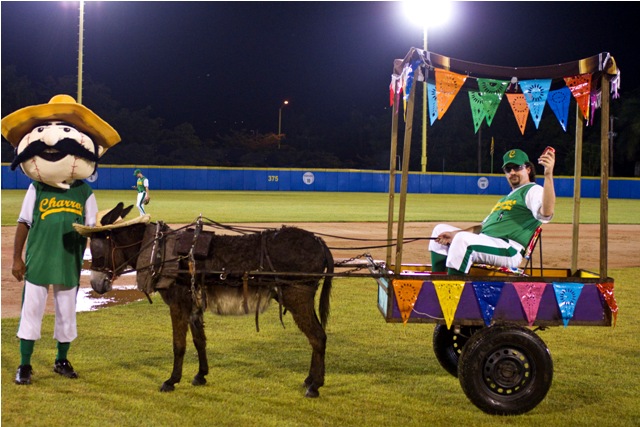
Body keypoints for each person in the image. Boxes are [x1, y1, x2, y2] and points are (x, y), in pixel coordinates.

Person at [2, 94, 120, 385]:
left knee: (67, 316)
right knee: (31, 314)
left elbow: (93, 231)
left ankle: (61, 360)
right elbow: (23, 223)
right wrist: (17, 258)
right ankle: (25, 365)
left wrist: (103, 263)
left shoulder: (84, 193)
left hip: (69, 261)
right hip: (38, 262)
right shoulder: (37, 188)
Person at [428, 147, 556, 275]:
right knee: (440, 229)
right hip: (487, 240)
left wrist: (548, 175)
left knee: (462, 241)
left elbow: (546, 213)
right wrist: (454, 233)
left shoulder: (532, 190)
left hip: (508, 248)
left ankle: (450, 291)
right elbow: (481, 227)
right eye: (508, 169)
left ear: (528, 169)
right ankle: (437, 282)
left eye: (517, 167)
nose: (512, 172)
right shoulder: (504, 199)